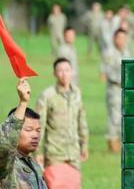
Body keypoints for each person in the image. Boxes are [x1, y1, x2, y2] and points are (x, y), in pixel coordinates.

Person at [35, 58, 89, 188]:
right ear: (54, 73)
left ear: (72, 72)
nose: (64, 74)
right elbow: (38, 125)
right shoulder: (47, 96)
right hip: (54, 153)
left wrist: (84, 144)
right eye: (60, 71)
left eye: (67, 70)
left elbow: (82, 120)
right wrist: (38, 152)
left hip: (74, 153)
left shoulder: (77, 93)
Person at [0, 79, 47, 188]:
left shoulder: (34, 165)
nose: (35, 135)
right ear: (15, 132)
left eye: (38, 131)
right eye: (29, 130)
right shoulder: (7, 162)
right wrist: (23, 103)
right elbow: (4, 143)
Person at [101, 29, 129, 153]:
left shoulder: (127, 52)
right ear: (114, 39)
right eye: (118, 38)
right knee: (114, 116)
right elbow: (105, 72)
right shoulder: (109, 53)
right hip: (114, 87)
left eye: (123, 38)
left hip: (125, 88)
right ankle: (112, 142)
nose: (121, 40)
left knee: (123, 114)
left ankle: (121, 141)